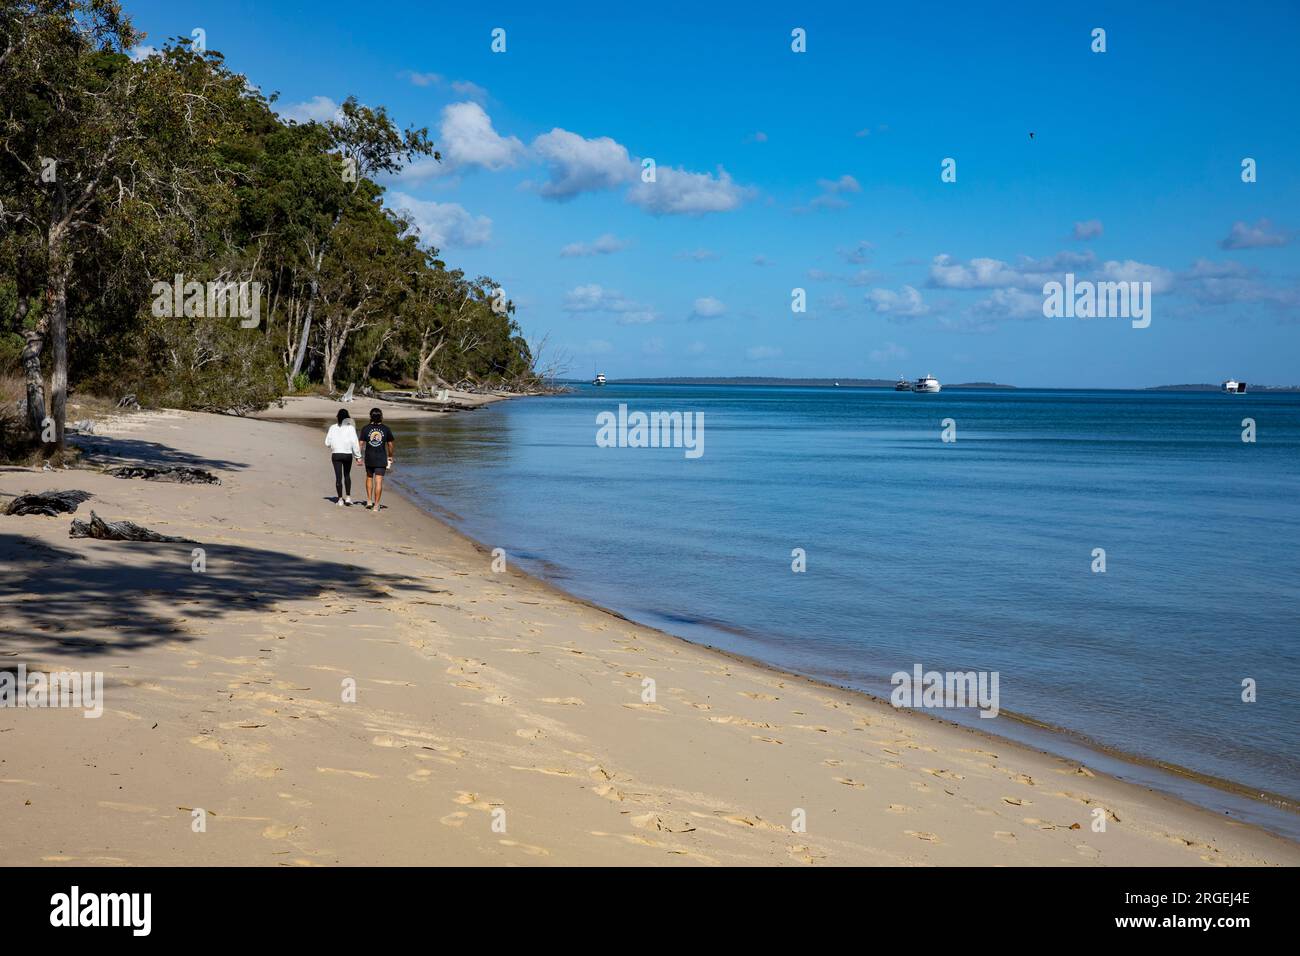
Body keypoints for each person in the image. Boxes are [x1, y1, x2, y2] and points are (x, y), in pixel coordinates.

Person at [359, 408, 395, 512]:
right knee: (378, 481)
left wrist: (358, 456)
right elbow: (390, 444)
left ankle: (369, 501)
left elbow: (361, 443)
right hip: (381, 458)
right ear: (381, 417)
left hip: (369, 458)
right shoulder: (385, 429)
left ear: (370, 416)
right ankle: (376, 505)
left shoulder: (365, 428)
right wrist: (390, 456)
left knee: (369, 477)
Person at [325, 409, 362, 506]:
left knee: (338, 477)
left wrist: (334, 445)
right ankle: (348, 498)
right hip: (347, 454)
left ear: (338, 417)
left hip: (336, 454)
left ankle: (340, 499)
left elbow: (327, 443)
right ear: (348, 418)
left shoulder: (332, 427)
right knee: (347, 475)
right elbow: (355, 443)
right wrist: (358, 456)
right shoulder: (351, 428)